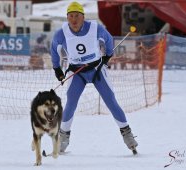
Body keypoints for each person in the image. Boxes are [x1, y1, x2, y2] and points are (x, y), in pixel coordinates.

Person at [50, 1, 138, 153]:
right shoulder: (61, 33)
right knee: (71, 102)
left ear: (83, 17)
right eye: (70, 16)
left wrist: (108, 55)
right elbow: (54, 49)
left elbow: (109, 39)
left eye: (77, 16)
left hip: (96, 70)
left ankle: (127, 135)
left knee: (110, 100)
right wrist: (57, 68)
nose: (74, 20)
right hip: (77, 73)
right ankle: (63, 138)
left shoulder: (95, 28)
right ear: (67, 18)